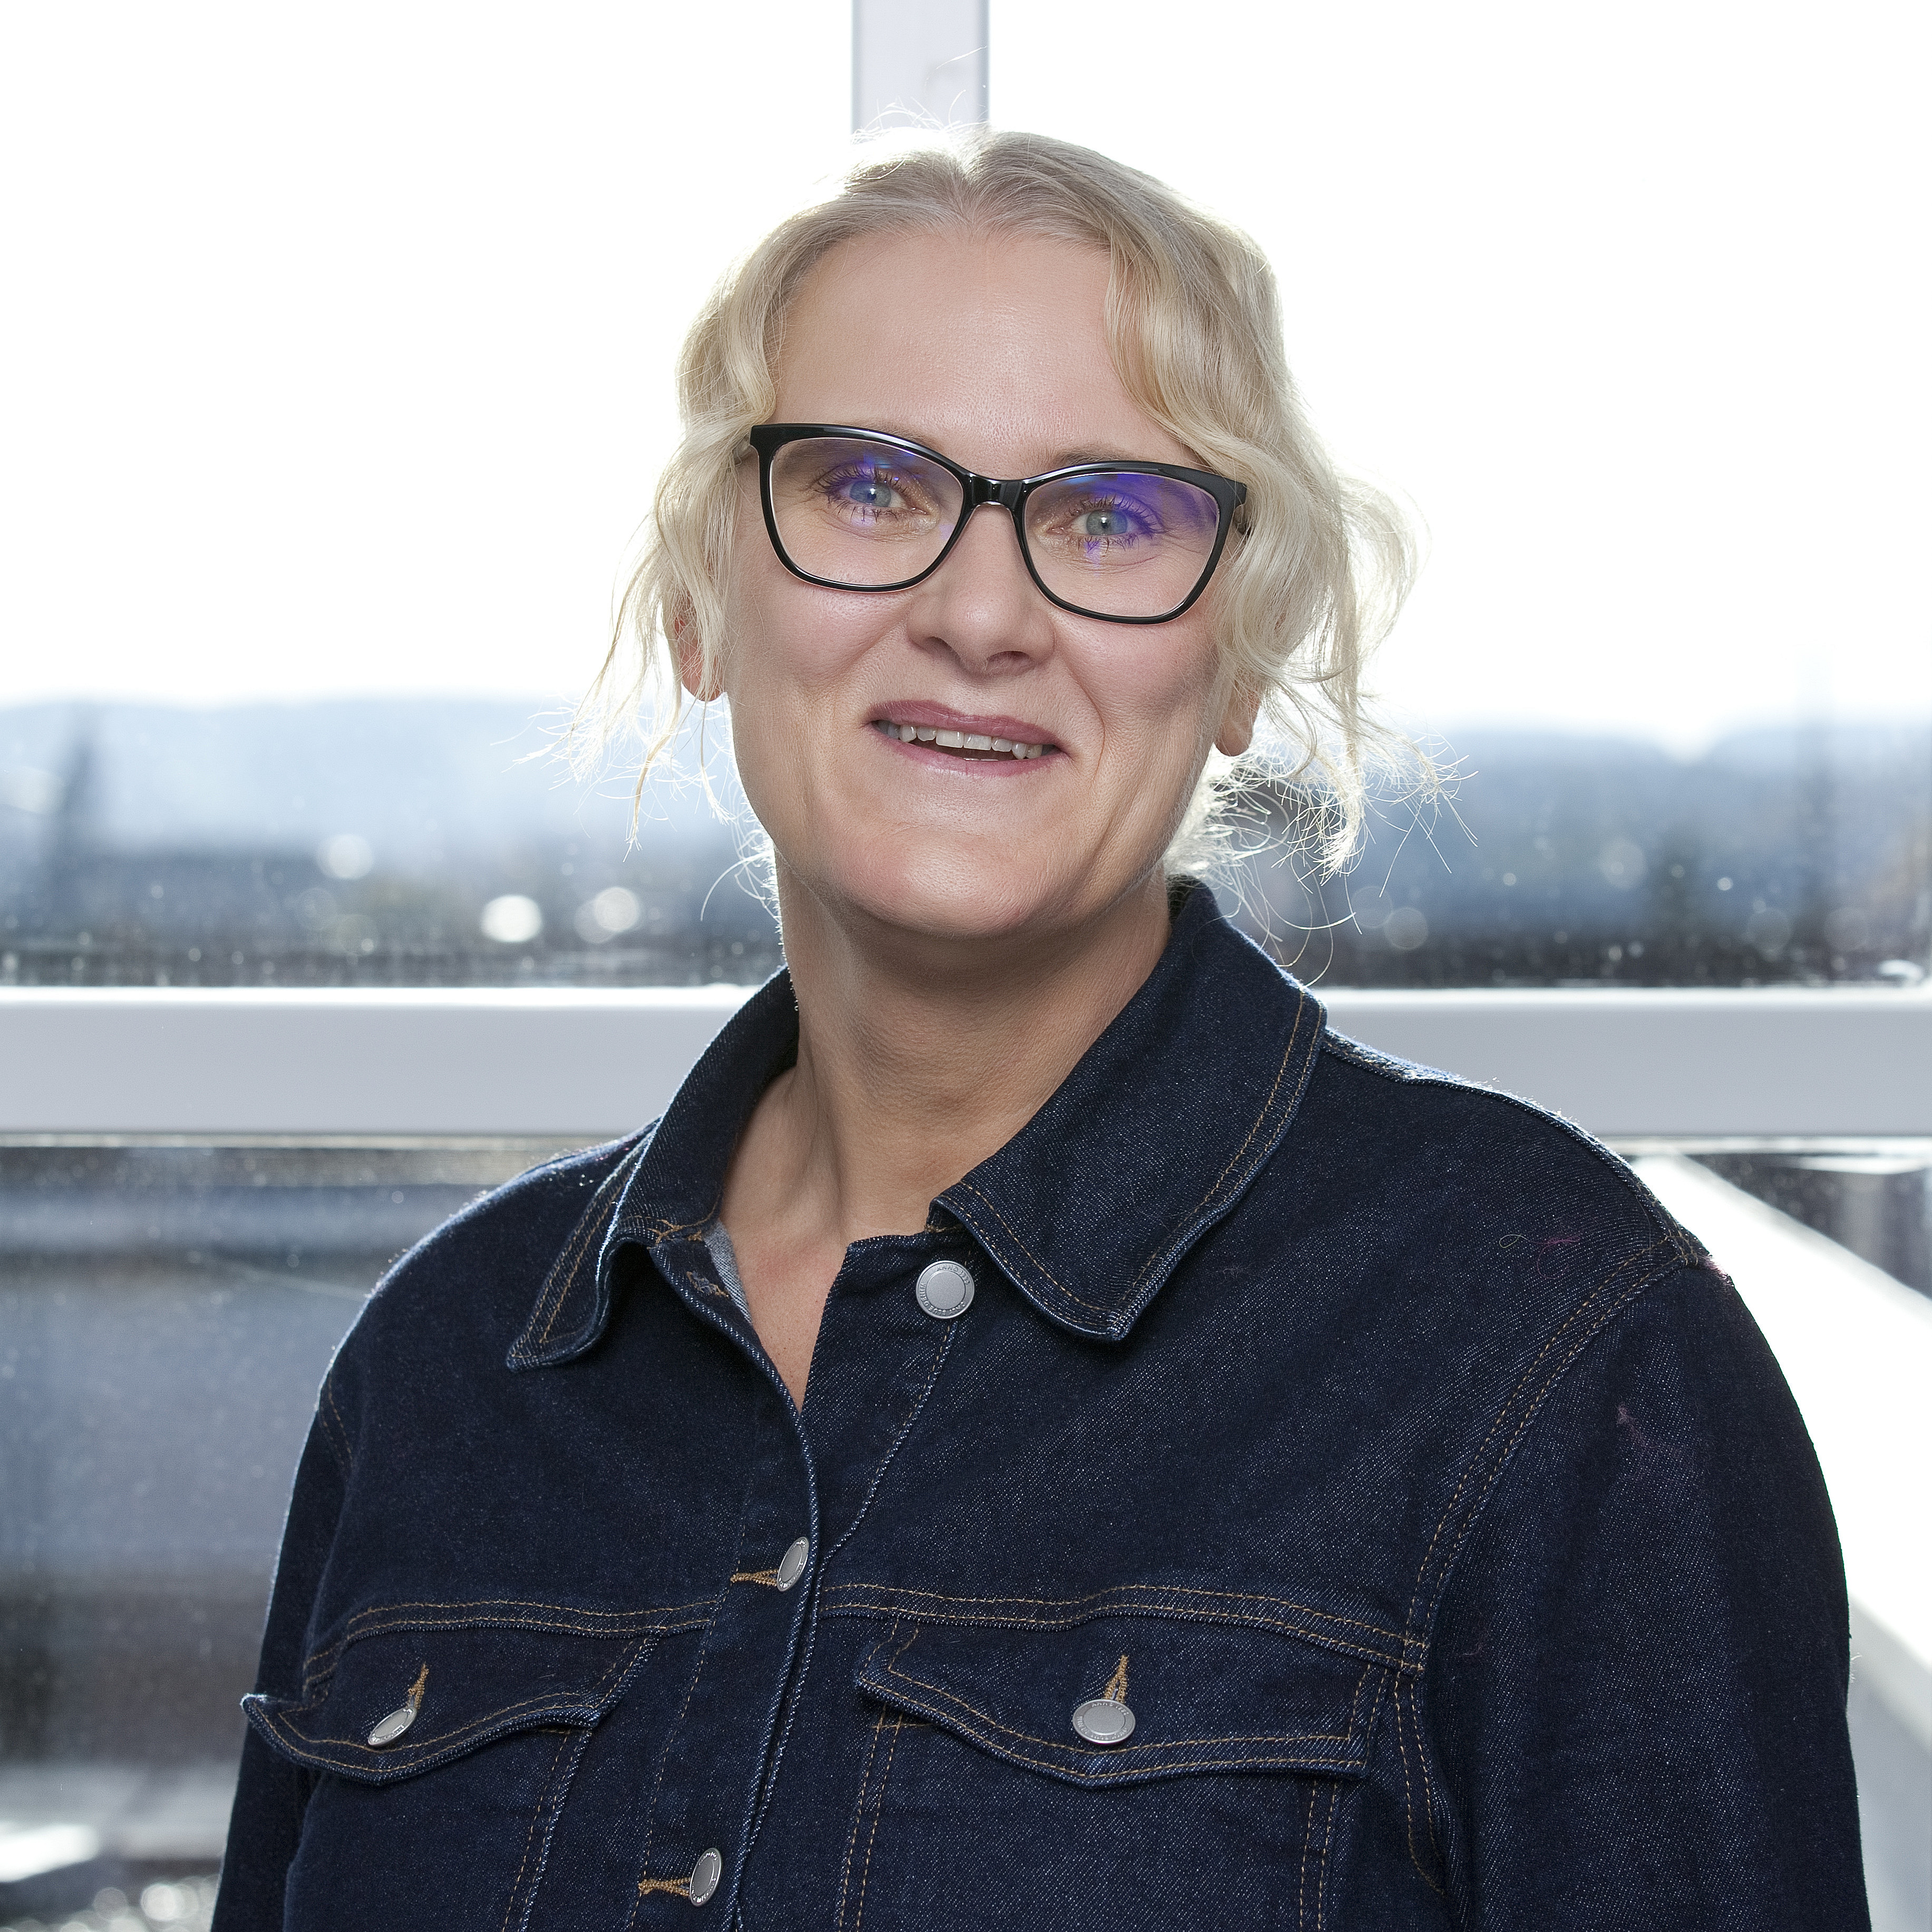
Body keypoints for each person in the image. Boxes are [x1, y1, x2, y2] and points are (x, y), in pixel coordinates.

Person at [212, 130, 1866, 1930]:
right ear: (704, 599)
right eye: (863, 487)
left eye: (1109, 517)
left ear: (1236, 663)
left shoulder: (1547, 1341)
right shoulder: (452, 1362)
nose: (980, 613)